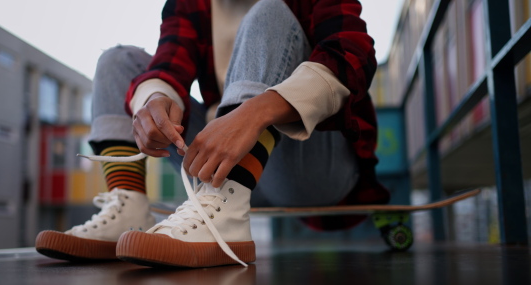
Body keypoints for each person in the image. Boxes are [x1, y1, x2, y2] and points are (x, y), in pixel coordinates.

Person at [35, 0, 390, 267]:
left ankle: (228, 214)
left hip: (307, 170)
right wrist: (156, 99)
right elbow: (169, 62)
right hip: (215, 167)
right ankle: (128, 207)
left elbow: (353, 54)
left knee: (269, 12)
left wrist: (257, 111)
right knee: (117, 61)